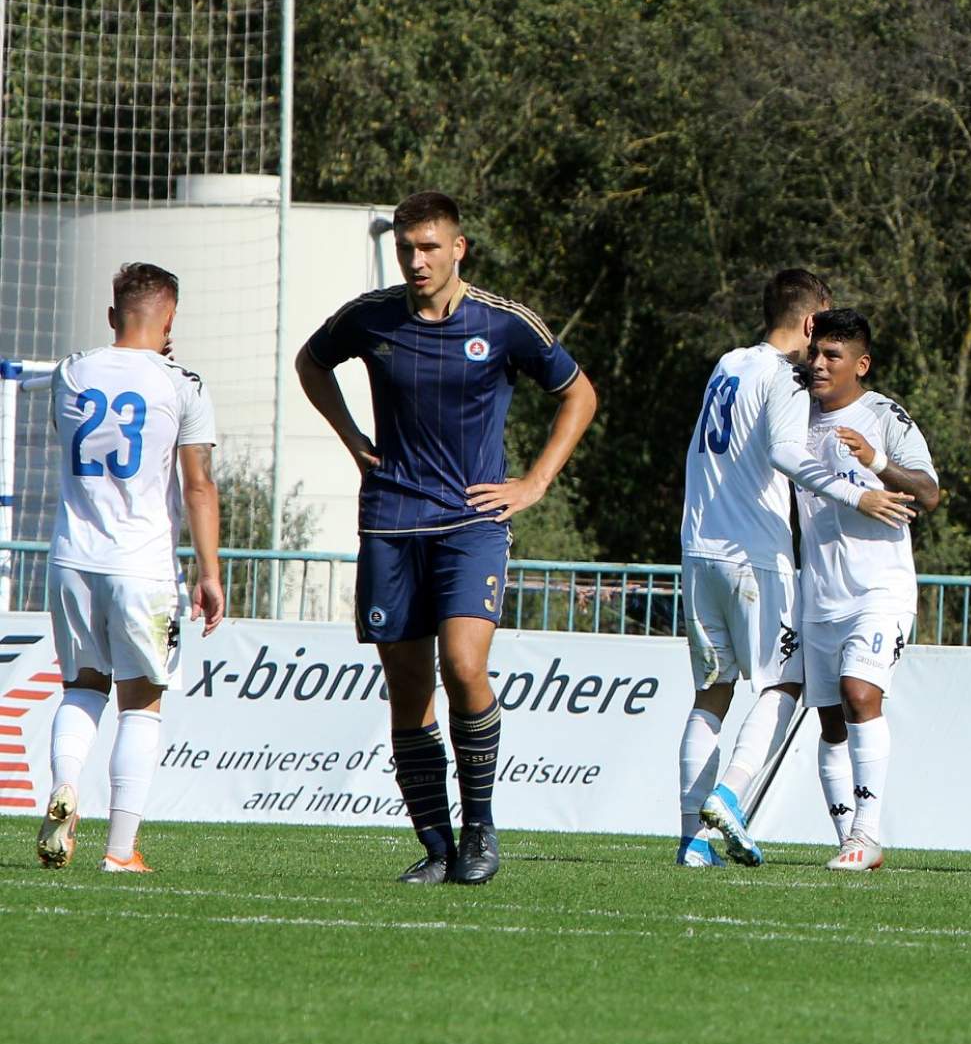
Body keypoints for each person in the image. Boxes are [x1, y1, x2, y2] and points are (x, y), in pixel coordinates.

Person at [296, 191, 597, 885]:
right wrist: (350, 438)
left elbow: (579, 393)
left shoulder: (503, 322)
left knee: (464, 665)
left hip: (472, 523)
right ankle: (436, 846)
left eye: (429, 247)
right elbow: (312, 364)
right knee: (407, 688)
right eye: (406, 248)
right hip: (391, 522)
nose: (416, 260)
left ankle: (481, 829)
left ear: (458, 248)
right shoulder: (370, 317)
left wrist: (535, 482)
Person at [678, 271, 915, 869]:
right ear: (811, 324)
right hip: (755, 556)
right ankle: (729, 800)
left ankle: (691, 842)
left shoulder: (728, 363)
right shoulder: (786, 375)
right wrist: (854, 494)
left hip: (697, 548)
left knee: (712, 691)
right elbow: (786, 451)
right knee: (785, 683)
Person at [35, 262, 224, 874]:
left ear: (112, 315)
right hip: (140, 564)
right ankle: (121, 850)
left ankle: (65, 787)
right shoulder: (182, 383)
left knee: (82, 686)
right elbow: (199, 486)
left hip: (71, 559)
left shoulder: (68, 373)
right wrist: (210, 573)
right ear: (170, 320)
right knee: (141, 702)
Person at [795, 308, 939, 871]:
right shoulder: (795, 416)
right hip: (819, 593)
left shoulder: (883, 414)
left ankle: (868, 832)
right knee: (830, 719)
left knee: (860, 694)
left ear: (862, 363)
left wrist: (876, 462)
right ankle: (848, 840)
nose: (820, 364)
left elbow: (929, 493)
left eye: (833, 356)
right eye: (816, 353)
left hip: (880, 590)